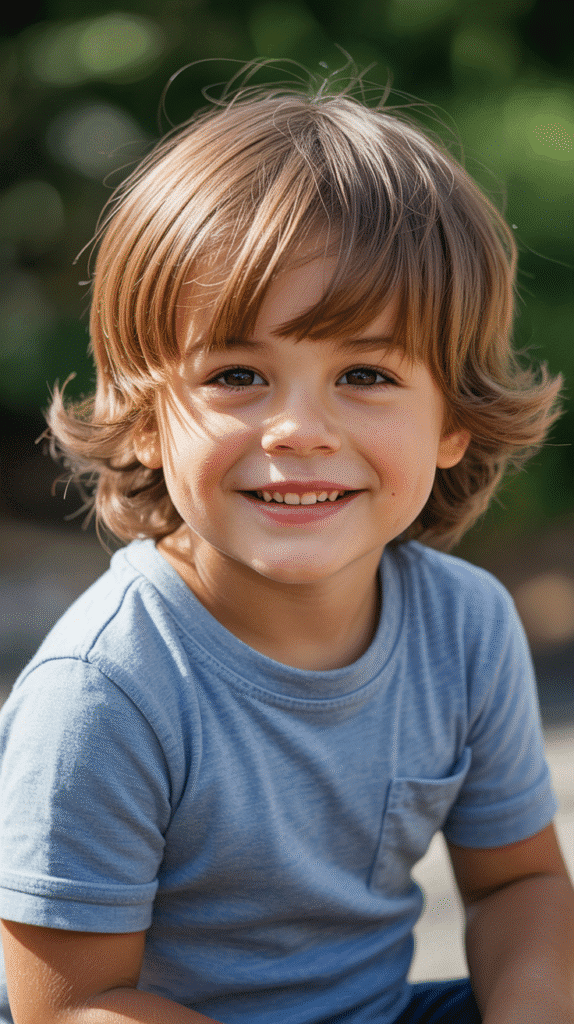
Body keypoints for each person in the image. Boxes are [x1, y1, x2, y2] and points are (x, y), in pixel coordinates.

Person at [0, 73, 572, 1024]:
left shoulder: (466, 626)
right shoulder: (106, 688)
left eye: (364, 372)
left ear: (453, 423)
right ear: (146, 419)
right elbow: (73, 1007)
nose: (298, 429)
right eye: (236, 373)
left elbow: (522, 887)